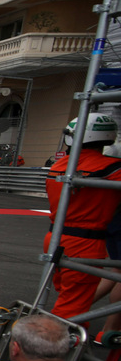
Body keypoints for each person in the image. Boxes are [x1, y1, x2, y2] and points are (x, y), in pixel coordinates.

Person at [45, 113, 121, 329]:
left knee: (69, 297)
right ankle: (54, 351)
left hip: (55, 237)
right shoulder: (112, 169)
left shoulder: (59, 165)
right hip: (85, 244)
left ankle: (70, 342)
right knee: (71, 307)